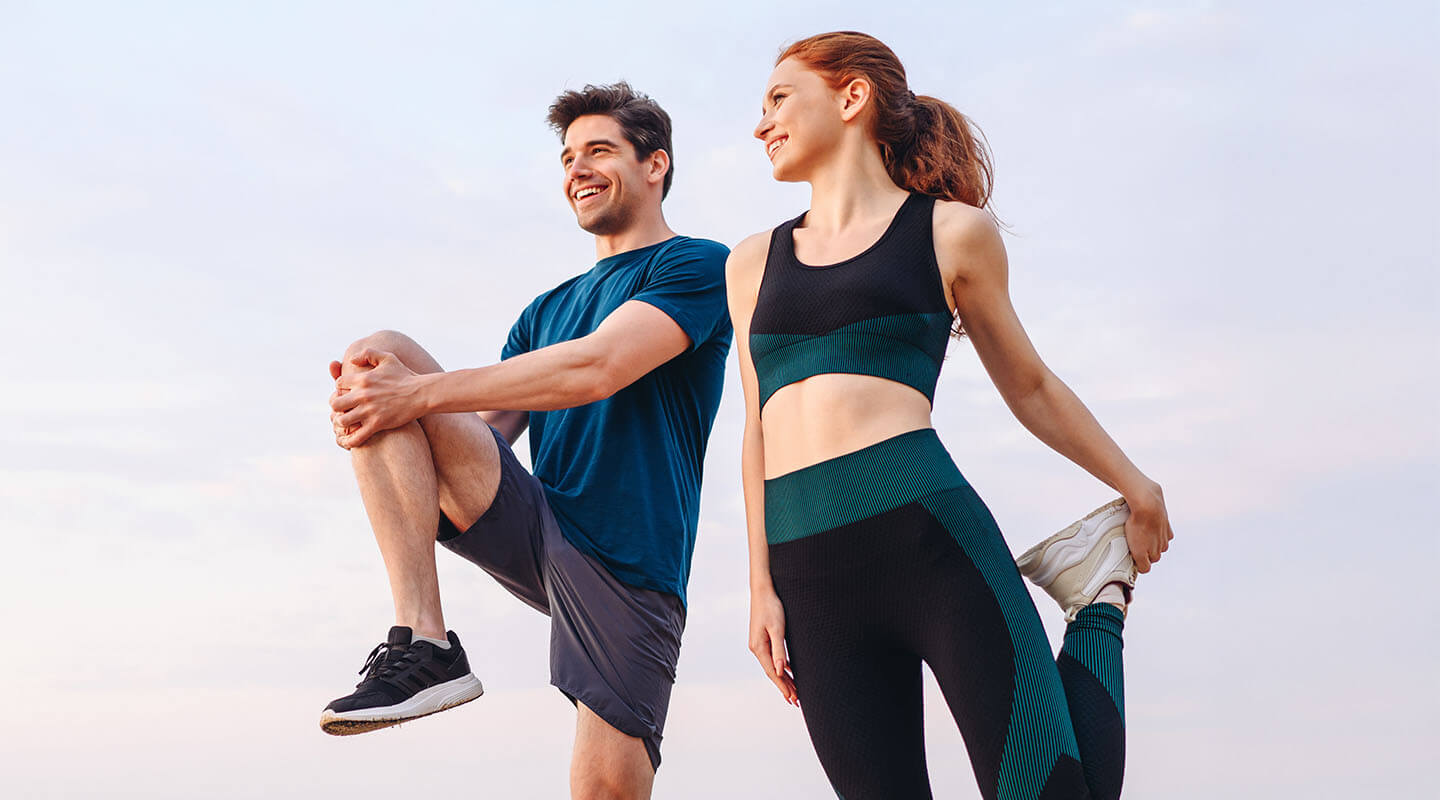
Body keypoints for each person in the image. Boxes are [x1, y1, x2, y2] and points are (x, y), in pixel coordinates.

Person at [725, 32, 1175, 800]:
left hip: (929, 542)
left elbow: (1029, 384)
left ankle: (1098, 602)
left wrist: (1138, 486)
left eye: (777, 100)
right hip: (808, 574)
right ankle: (1092, 589)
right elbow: (756, 425)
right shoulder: (751, 261)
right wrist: (760, 586)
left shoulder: (949, 232)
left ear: (851, 97)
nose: (760, 124)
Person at [320, 82, 732, 799]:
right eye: (568, 157)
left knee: (605, 790)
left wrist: (414, 396)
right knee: (375, 356)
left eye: (599, 150)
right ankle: (424, 641)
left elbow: (600, 367)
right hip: (537, 525)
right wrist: (387, 418)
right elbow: (484, 435)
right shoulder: (543, 310)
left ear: (656, 164)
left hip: (628, 558)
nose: (578, 169)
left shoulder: (696, 266)